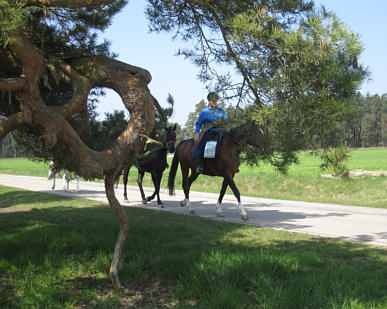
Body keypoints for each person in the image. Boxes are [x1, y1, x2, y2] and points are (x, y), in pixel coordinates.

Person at [193, 92, 228, 173]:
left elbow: (226, 120)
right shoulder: (204, 112)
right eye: (213, 100)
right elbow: (199, 123)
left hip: (220, 131)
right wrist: (197, 133)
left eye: (215, 100)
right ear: (209, 101)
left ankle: (231, 164)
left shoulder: (221, 111)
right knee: (202, 145)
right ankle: (200, 165)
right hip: (209, 132)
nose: (214, 102)